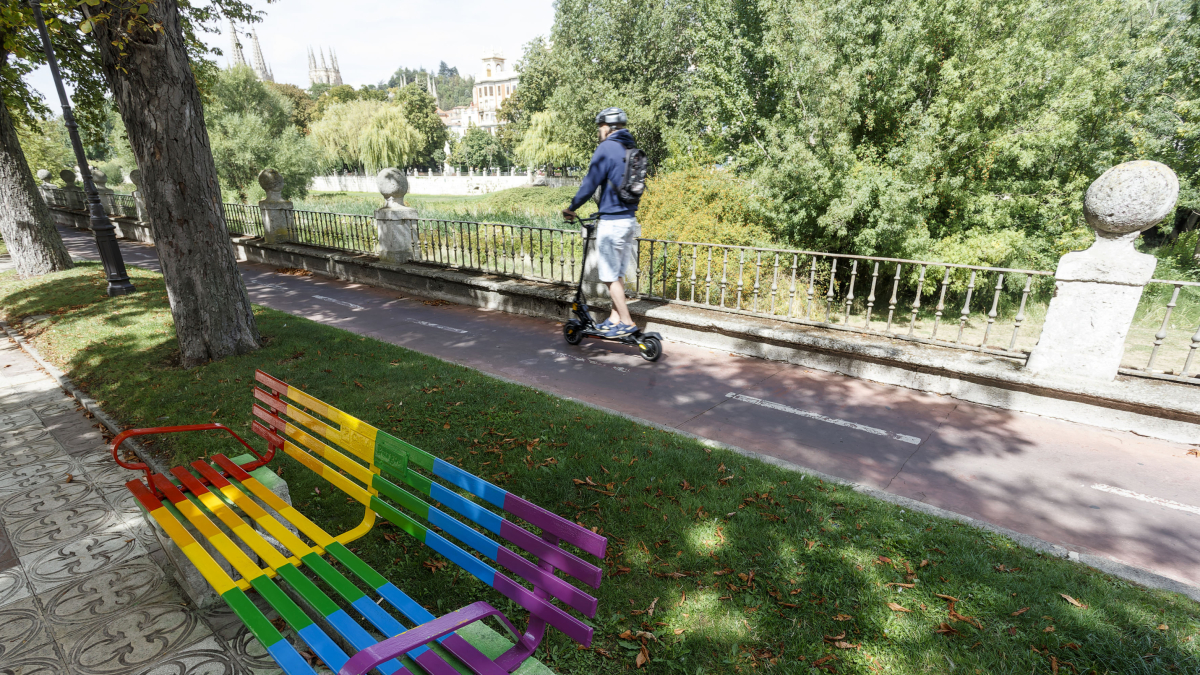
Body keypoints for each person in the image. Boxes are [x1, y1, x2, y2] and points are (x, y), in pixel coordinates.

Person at [562, 107, 641, 337]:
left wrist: (572, 207)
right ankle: (615, 318)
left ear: (607, 127)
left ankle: (627, 323)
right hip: (629, 220)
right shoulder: (629, 147)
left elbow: (589, 184)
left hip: (612, 223)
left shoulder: (607, 147)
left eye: (600, 127)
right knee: (617, 274)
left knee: (608, 276)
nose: (599, 131)